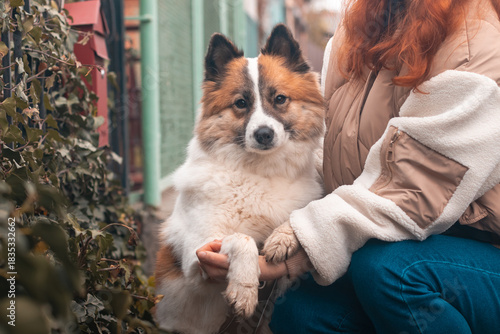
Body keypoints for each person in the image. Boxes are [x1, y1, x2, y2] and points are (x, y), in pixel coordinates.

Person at [197, 0, 500, 332]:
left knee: (392, 272)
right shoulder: (355, 32)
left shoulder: (474, 44)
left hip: (478, 249)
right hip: (383, 237)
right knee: (299, 311)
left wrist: (295, 248)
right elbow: (327, 148)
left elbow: (418, 186)